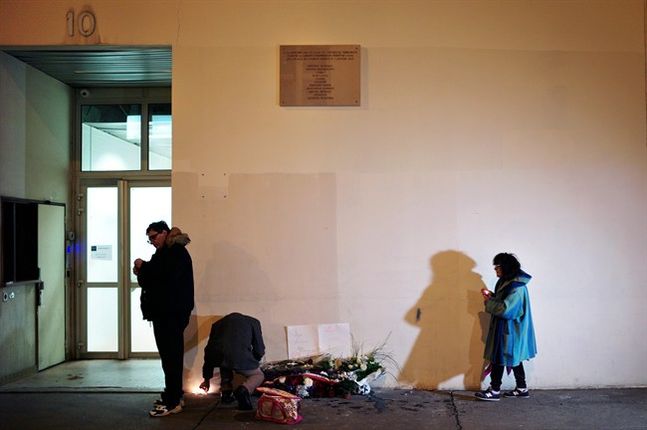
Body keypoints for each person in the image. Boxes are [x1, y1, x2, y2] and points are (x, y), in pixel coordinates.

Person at [133, 221, 195, 417]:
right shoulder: (165, 253)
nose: (152, 242)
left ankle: (174, 400)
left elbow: (162, 278)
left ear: (164, 232)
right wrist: (142, 270)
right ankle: (173, 395)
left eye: (154, 237)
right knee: (169, 357)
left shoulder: (175, 252)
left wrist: (143, 267)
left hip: (170, 313)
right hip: (166, 313)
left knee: (171, 357)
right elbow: (152, 279)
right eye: (149, 238)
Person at [475, 252, 537, 401]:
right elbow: (503, 300)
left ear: (506, 268)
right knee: (513, 358)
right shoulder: (508, 282)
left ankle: (495, 390)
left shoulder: (517, 287)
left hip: (510, 329)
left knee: (499, 357)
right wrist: (492, 296)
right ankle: (522, 388)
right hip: (509, 329)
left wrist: (488, 303)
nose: (495, 270)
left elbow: (506, 309)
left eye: (497, 267)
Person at [199, 312, 266, 410]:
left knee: (225, 362)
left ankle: (226, 393)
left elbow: (209, 349)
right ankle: (244, 390)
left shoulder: (217, 324)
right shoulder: (253, 322)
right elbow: (259, 348)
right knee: (258, 375)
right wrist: (255, 360)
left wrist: (206, 379)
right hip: (240, 356)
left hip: (219, 357)